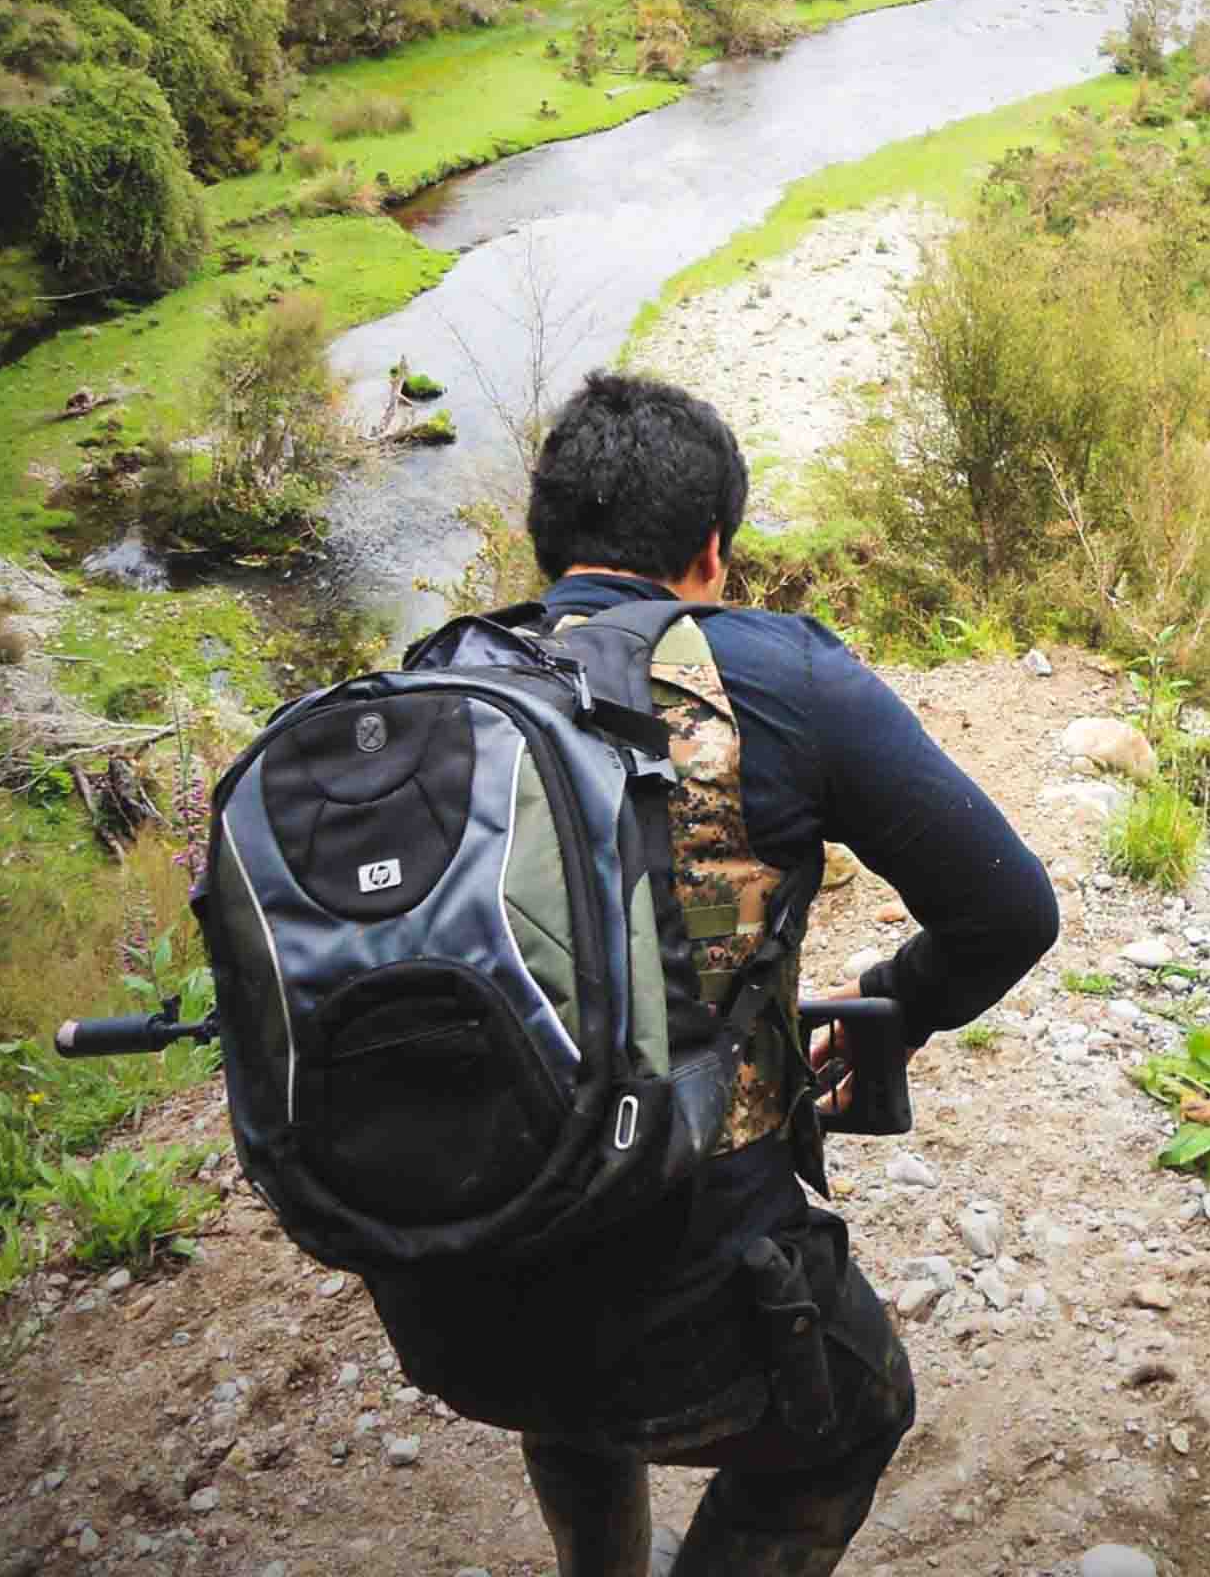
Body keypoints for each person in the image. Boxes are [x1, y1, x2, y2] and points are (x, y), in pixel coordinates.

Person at [362, 371, 1060, 1577]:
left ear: (547, 547)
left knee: (563, 1278)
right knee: (856, 1414)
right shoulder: (776, 679)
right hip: (684, 1296)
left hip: (444, 1287)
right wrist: (898, 995)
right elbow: (1008, 909)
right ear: (713, 551)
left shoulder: (435, 683)